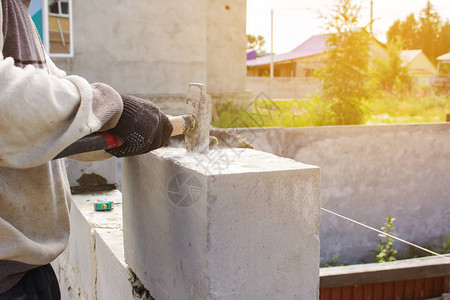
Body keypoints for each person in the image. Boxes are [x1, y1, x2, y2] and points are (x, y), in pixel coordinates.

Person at [0, 0, 174, 298]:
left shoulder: (18, 11)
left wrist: (113, 133)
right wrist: (115, 108)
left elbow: (53, 124)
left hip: (27, 273)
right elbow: (9, 105)